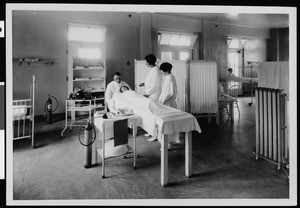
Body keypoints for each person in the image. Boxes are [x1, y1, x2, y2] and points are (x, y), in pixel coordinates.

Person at [139, 54, 162, 141]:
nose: (145, 63)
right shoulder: (153, 69)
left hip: (154, 95)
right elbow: (151, 82)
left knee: (155, 115)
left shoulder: (156, 71)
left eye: (146, 62)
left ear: (149, 62)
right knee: (150, 114)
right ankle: (151, 131)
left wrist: (147, 94)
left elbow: (155, 85)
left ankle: (155, 135)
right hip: (151, 95)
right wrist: (144, 84)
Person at [158, 62, 180, 149]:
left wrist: (162, 101)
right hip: (166, 103)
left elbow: (171, 93)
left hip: (168, 104)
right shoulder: (168, 77)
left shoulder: (170, 78)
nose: (161, 73)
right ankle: (170, 142)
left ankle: (168, 144)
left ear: (165, 71)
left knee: (168, 124)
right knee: (169, 124)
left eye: (161, 71)